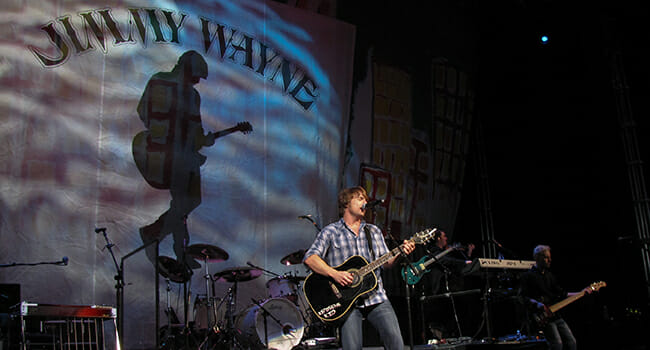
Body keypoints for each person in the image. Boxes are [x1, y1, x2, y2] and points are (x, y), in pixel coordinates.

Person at [303, 186, 415, 350]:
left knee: (396, 344)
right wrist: (335, 274)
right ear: (346, 203)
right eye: (360, 198)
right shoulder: (331, 232)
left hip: (376, 298)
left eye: (366, 199)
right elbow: (310, 258)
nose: (365, 202)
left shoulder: (373, 231)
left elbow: (386, 263)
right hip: (346, 303)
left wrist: (400, 252)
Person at [135, 50, 214, 269]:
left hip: (186, 156)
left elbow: (196, 130)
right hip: (168, 153)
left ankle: (170, 245)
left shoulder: (192, 95)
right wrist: (163, 130)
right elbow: (143, 111)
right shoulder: (160, 81)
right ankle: (163, 240)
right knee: (183, 203)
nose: (197, 82)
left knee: (187, 203)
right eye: (195, 76)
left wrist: (202, 140)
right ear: (186, 69)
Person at [519, 245, 592, 350]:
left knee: (571, 342)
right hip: (543, 316)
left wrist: (580, 293)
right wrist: (537, 304)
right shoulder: (528, 276)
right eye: (546, 257)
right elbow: (522, 297)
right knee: (557, 344)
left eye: (549, 257)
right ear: (537, 258)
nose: (550, 260)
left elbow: (562, 293)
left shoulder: (550, 276)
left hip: (555, 314)